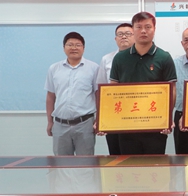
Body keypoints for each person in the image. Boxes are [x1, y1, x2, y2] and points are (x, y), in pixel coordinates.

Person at [110, 12, 177, 155]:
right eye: (139, 27)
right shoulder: (120, 58)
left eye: (148, 27)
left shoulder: (164, 57)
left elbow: (171, 90)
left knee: (154, 165)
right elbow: (113, 89)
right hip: (127, 124)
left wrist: (167, 117)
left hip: (155, 124)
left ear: (154, 29)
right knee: (129, 164)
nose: (143, 31)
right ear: (133, 30)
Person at [45, 32, 99, 156]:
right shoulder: (54, 68)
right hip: (60, 124)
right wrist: (50, 121)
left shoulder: (94, 68)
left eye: (78, 45)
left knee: (86, 163)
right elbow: (50, 97)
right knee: (61, 164)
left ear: (83, 48)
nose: (74, 48)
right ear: (64, 47)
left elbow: (98, 96)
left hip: (85, 124)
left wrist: (98, 120)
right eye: (70, 45)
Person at [96, 23, 134, 155]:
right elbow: (101, 91)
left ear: (135, 36)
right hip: (113, 114)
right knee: (115, 154)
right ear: (115, 38)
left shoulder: (141, 59)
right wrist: (101, 118)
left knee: (134, 155)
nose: (124, 37)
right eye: (120, 34)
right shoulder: (106, 59)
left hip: (135, 113)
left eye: (128, 34)